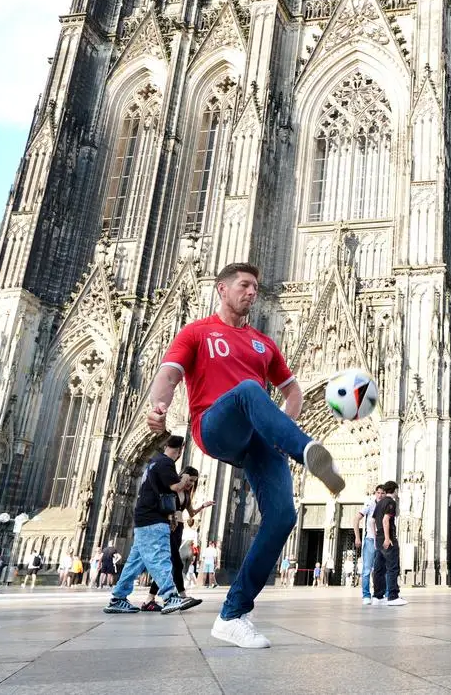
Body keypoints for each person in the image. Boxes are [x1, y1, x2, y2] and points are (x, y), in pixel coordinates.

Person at [148, 262, 346, 647]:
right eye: (244, 285)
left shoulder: (264, 343)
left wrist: (280, 429)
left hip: (258, 439)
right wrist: (157, 407)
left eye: (256, 286)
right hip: (215, 426)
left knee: (283, 516)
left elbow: (293, 391)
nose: (252, 292)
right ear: (222, 290)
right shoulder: (197, 332)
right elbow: (169, 375)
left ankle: (233, 614)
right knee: (251, 391)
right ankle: (305, 450)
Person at [103, 436, 199, 615]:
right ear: (181, 448)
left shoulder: (154, 461)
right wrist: (186, 479)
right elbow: (176, 487)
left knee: (134, 563)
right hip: (154, 518)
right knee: (160, 557)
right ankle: (170, 596)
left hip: (143, 518)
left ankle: (118, 598)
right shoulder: (166, 463)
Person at [144, 465, 213, 611]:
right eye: (189, 479)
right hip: (169, 527)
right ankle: (182, 595)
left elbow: (191, 513)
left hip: (178, 528)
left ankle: (150, 599)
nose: (190, 484)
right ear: (182, 476)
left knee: (170, 564)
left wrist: (203, 506)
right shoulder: (172, 489)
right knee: (175, 563)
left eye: (194, 481)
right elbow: (163, 505)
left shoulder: (186, 494)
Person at [371, 481, 405, 606]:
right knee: (392, 567)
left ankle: (377, 596)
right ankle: (393, 596)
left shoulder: (379, 502)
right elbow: (386, 520)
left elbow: (372, 521)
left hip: (379, 539)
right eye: (397, 490)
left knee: (379, 568)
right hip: (388, 538)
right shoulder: (391, 502)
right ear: (395, 490)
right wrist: (387, 538)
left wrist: (377, 538)